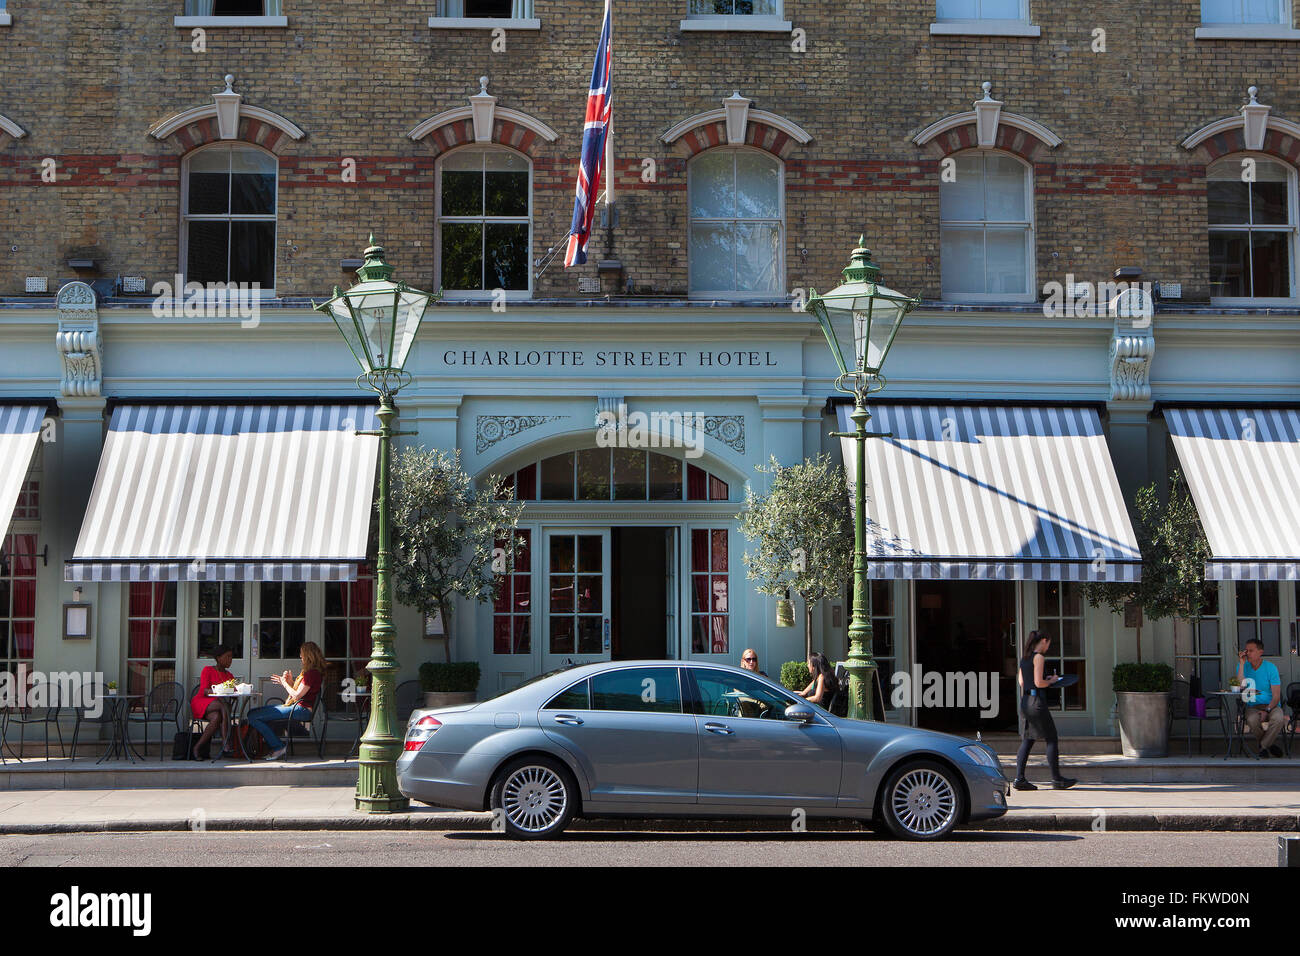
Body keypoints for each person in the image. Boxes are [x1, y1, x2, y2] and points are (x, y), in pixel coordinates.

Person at [1013, 630, 1076, 791]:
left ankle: (1019, 779)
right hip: (1037, 702)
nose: (1048, 647)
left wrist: (1043, 680)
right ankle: (1057, 780)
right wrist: (1052, 680)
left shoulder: (1024, 658)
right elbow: (1038, 683)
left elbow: (1022, 682)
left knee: (1028, 739)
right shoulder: (1038, 657)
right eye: (1048, 643)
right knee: (1052, 738)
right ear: (1043, 641)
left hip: (1026, 701)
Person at [246, 641, 326, 761]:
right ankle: (273, 745)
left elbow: (297, 695)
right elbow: (301, 693)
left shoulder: (311, 674)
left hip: (301, 710)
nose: (300, 656)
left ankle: (278, 747)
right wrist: (289, 682)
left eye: (302, 654)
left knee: (253, 716)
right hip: (298, 707)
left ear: (308, 655)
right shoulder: (311, 673)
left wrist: (284, 684)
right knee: (253, 714)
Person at [1237, 638, 1284, 757]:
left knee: (1278, 718)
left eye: (1251, 651)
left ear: (1260, 652)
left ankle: (1263, 746)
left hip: (1271, 705)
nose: (1247, 654)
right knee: (1252, 719)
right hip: (1252, 705)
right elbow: (1240, 687)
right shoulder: (1243, 667)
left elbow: (1276, 696)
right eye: (1246, 650)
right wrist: (1242, 664)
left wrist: (1266, 710)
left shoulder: (1271, 668)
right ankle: (1269, 745)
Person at [190, 645, 238, 760]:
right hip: (201, 702)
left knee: (217, 717)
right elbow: (204, 691)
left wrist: (236, 691)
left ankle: (196, 748)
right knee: (224, 706)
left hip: (216, 707)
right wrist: (219, 690)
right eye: (227, 657)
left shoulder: (229, 675)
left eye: (231, 657)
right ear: (218, 658)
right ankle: (226, 743)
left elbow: (233, 692)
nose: (230, 660)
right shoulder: (208, 670)